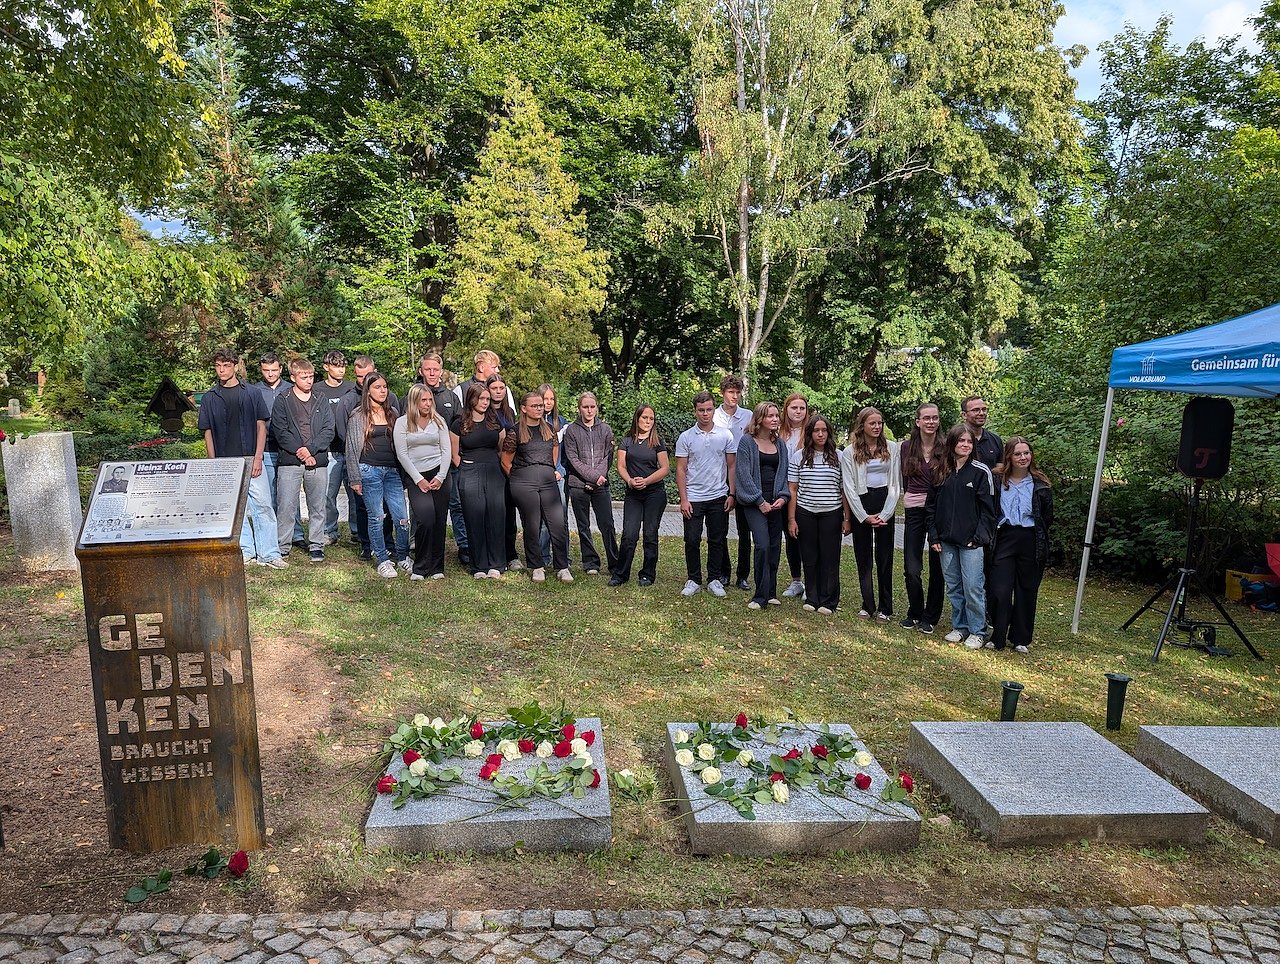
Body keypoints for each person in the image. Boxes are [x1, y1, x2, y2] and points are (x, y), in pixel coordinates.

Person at [198, 348, 283, 568]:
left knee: (264, 506)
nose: (222, 370)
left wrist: (258, 458)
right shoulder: (209, 398)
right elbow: (207, 431)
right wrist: (213, 463)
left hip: (251, 457)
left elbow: (261, 426)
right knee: (237, 511)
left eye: (226, 365)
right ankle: (246, 550)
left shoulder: (252, 393)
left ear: (235, 366)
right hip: (225, 463)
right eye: (218, 366)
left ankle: (269, 553)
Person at [926, 424, 996, 649]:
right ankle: (960, 626)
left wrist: (978, 538)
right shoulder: (940, 471)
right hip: (946, 541)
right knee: (954, 586)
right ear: (952, 443)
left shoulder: (981, 472)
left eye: (969, 442)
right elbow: (931, 507)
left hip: (971, 543)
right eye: (961, 441)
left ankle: (978, 630)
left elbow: (989, 511)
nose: (965, 445)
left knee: (973, 586)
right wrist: (934, 536)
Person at [990, 437, 1054, 653]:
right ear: (1009, 456)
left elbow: (1046, 517)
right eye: (1017, 454)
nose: (1023, 457)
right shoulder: (997, 480)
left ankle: (1020, 638)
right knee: (1000, 589)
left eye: (1026, 453)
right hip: (1004, 537)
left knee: (1027, 589)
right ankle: (997, 636)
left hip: (1030, 538)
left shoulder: (1040, 484)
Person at [270, 357, 335, 563]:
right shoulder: (283, 399)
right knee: (286, 506)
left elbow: (328, 429)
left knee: (318, 506)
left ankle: (316, 545)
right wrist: (301, 452)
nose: (308, 380)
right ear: (293, 377)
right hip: (290, 461)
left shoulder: (321, 398)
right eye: (304, 377)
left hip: (317, 460)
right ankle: (283, 545)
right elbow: (280, 431)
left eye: (311, 376)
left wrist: (311, 450)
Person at [503, 391, 573, 583]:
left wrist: (550, 470)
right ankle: (537, 566)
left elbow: (554, 453)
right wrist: (518, 479)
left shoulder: (549, 429)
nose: (539, 408)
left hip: (547, 480)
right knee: (532, 524)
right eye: (534, 406)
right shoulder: (515, 431)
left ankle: (562, 566)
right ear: (524, 409)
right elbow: (506, 461)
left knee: (557, 523)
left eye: (540, 405)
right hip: (523, 481)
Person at [345, 371, 410, 578]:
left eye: (384, 387)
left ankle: (403, 556)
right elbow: (351, 448)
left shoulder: (393, 413)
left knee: (401, 517)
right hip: (368, 470)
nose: (383, 391)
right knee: (376, 517)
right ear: (368, 391)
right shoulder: (358, 415)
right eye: (377, 387)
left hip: (392, 471)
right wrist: (355, 478)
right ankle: (382, 559)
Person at [451, 350, 511, 567]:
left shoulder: (496, 422)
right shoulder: (459, 424)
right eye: (481, 398)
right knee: (474, 518)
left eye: (487, 399)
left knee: (496, 517)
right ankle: (479, 564)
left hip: (493, 473)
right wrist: (466, 469)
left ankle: (497, 563)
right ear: (471, 400)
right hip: (469, 473)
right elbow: (454, 453)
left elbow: (502, 447)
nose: (485, 402)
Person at [841, 406, 901, 621]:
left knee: (885, 558)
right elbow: (848, 487)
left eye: (880, 423)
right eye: (872, 423)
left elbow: (895, 484)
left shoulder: (892, 448)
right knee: (863, 557)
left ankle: (885, 608)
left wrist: (885, 514)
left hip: (885, 501)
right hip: (862, 503)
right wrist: (862, 515)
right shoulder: (850, 451)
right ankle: (867, 604)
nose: (877, 427)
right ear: (862, 425)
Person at [676, 390, 737, 597]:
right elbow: (681, 469)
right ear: (695, 411)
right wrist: (684, 499)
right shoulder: (686, 437)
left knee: (717, 540)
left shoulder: (725, 435)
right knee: (692, 539)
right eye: (701, 410)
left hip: (718, 496)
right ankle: (693, 579)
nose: (705, 414)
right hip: (693, 497)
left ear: (713, 410)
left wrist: (732, 494)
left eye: (709, 409)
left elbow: (731, 466)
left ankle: (714, 579)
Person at [336, 355, 398, 558]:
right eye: (360, 377)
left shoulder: (390, 399)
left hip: (388, 464)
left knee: (387, 507)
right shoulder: (348, 401)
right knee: (363, 507)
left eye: (367, 375)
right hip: (364, 464)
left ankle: (388, 542)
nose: (364, 380)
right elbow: (345, 434)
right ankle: (366, 544)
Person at [787, 415, 846, 614]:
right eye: (816, 430)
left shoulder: (839, 456)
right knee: (809, 557)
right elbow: (793, 489)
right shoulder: (799, 456)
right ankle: (812, 597)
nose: (820, 434)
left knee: (830, 558)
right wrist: (792, 519)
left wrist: (846, 518)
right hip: (806, 512)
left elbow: (844, 489)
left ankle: (828, 600)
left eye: (824, 430)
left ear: (829, 432)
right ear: (809, 433)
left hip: (832, 512)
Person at [735, 402, 790, 610]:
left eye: (776, 415)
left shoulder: (780, 444)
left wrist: (783, 497)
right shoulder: (747, 442)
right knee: (762, 545)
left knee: (775, 547)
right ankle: (759, 596)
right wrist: (759, 501)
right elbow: (743, 475)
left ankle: (771, 592)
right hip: (754, 503)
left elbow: (784, 473)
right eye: (770, 416)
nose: (775, 419)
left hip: (776, 502)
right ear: (759, 419)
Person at [395, 384, 451, 580]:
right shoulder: (402, 423)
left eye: (430, 400)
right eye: (423, 400)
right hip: (416, 476)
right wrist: (419, 479)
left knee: (439, 521)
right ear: (414, 402)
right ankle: (420, 567)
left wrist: (441, 476)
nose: (427, 404)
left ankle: (437, 567)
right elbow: (402, 454)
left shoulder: (439, 421)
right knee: (425, 519)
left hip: (439, 474)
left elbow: (447, 450)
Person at [609, 404, 669, 587]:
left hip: (654, 493)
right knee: (629, 534)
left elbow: (665, 468)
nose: (648, 421)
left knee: (650, 534)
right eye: (644, 418)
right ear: (637, 418)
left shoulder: (658, 442)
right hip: (633, 494)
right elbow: (621, 466)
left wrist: (647, 481)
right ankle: (621, 574)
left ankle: (647, 574)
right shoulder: (627, 441)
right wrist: (629, 481)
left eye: (651, 418)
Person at [899, 403, 944, 634]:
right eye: (926, 418)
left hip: (938, 511)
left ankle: (930, 616)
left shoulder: (946, 447)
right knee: (912, 567)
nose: (930, 422)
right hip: (914, 510)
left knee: (938, 567)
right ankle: (915, 612)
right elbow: (904, 480)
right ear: (918, 422)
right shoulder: (906, 447)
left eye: (934, 418)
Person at [563, 392, 619, 576]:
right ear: (579, 408)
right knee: (583, 525)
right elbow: (573, 459)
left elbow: (608, 457)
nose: (589, 410)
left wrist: (595, 481)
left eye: (592, 407)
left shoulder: (605, 429)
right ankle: (590, 562)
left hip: (600, 485)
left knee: (607, 524)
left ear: (597, 408)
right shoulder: (571, 430)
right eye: (585, 407)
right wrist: (592, 478)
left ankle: (614, 563)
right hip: (578, 485)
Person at [714, 374, 753, 590]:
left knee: (744, 530)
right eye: (731, 392)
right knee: (720, 527)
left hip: (744, 476)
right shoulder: (714, 416)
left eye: (738, 392)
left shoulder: (748, 416)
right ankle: (723, 571)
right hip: (719, 476)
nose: (734, 396)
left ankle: (743, 575)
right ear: (723, 393)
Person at [314, 350, 357, 546]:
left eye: (343, 366)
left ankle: (357, 531)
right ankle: (329, 531)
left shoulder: (351, 388)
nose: (341, 370)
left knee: (355, 494)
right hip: (330, 451)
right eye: (336, 366)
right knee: (327, 495)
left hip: (351, 450)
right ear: (326, 367)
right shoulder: (317, 389)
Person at [485, 373, 522, 570]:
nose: (498, 392)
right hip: (490, 466)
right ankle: (493, 552)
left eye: (501, 388)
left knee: (509, 512)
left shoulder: (510, 413)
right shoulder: (483, 411)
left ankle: (511, 554)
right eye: (494, 388)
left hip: (508, 467)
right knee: (492, 512)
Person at [777, 392, 809, 599]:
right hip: (783, 492)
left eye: (802, 408)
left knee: (807, 537)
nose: (798, 412)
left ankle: (812, 580)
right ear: (786, 409)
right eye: (794, 408)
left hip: (805, 492)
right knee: (791, 537)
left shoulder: (811, 432)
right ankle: (796, 580)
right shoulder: (778, 432)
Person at [536, 382, 571, 570]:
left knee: (561, 517)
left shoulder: (562, 423)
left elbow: (567, 453)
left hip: (558, 476)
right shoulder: (532, 421)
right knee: (543, 520)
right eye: (545, 398)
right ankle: (542, 557)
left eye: (551, 399)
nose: (548, 402)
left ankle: (563, 558)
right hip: (540, 476)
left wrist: (561, 471)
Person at [962, 395, 1003, 471]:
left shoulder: (995, 440)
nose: (981, 413)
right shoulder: (955, 440)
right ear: (964, 415)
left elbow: (1001, 468)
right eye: (976, 410)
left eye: (984, 409)